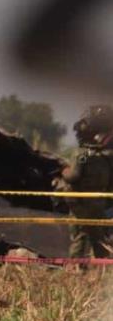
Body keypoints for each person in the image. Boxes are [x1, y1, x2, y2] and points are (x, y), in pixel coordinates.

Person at [59, 105, 113, 259]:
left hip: (82, 204)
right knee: (99, 235)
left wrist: (63, 172)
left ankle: (77, 266)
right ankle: (104, 265)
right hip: (99, 202)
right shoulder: (103, 155)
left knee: (81, 234)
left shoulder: (84, 155)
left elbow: (74, 176)